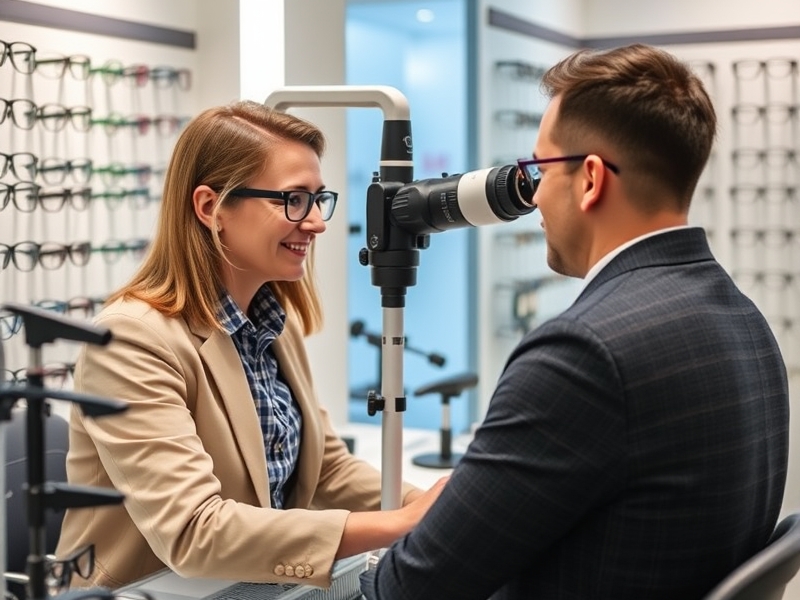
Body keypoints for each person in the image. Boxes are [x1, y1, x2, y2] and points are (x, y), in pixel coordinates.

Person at [361, 43, 790, 599]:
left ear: (590, 179)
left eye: (539, 168)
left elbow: (410, 590)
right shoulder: (743, 320)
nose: (533, 193)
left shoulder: (583, 354)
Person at [55, 100, 446, 590]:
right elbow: (195, 531)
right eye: (293, 200)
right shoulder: (131, 341)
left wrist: (426, 506)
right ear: (209, 208)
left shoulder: (272, 325)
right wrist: (396, 525)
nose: (317, 223)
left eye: (318, 199)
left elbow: (325, 470)